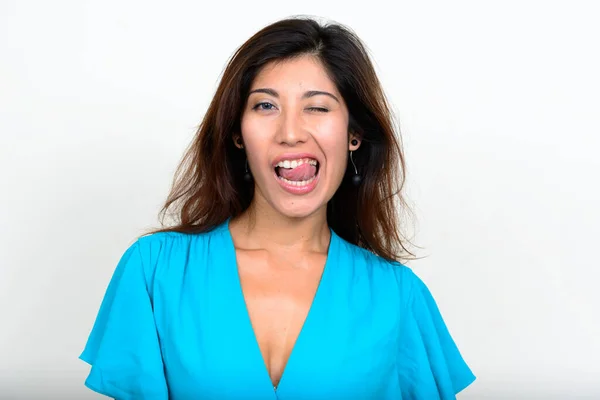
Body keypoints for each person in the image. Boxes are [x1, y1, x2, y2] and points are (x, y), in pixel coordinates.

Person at [79, 16, 476, 400]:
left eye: (317, 107)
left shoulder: (398, 296)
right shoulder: (154, 272)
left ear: (354, 134)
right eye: (266, 106)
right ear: (237, 133)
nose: (290, 133)